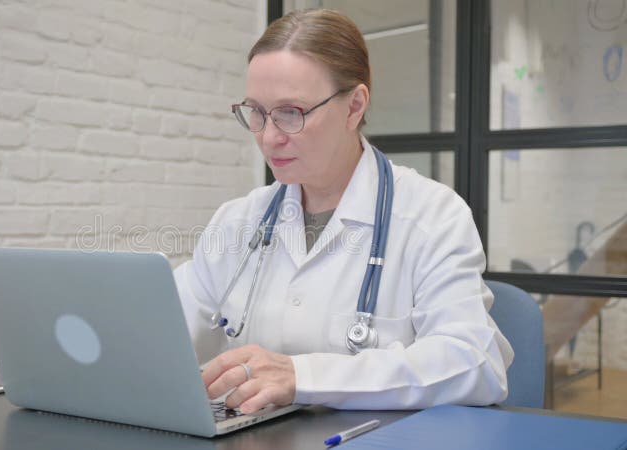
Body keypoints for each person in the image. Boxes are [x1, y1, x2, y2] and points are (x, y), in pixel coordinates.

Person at [173, 9, 514, 414]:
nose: (268, 137)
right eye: (257, 113)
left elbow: (472, 363)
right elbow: (167, 325)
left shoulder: (432, 216)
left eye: (290, 113)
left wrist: (304, 377)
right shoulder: (238, 221)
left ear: (354, 106)